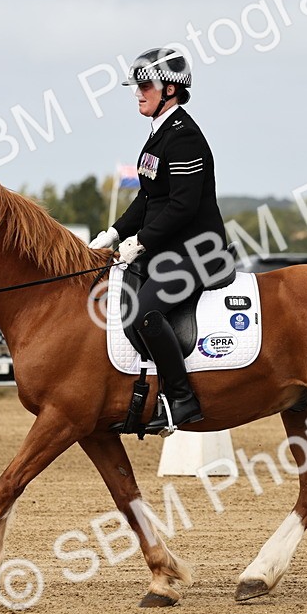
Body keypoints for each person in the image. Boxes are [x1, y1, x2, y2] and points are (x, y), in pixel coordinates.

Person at [89, 47, 228, 434]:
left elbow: (182, 207)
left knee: (144, 311)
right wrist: (114, 234)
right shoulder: (158, 136)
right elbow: (148, 199)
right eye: (137, 85)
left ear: (170, 89)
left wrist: (141, 242)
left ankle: (182, 399)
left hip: (200, 251)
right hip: (171, 248)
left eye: (145, 85)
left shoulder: (184, 139)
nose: (137, 92)